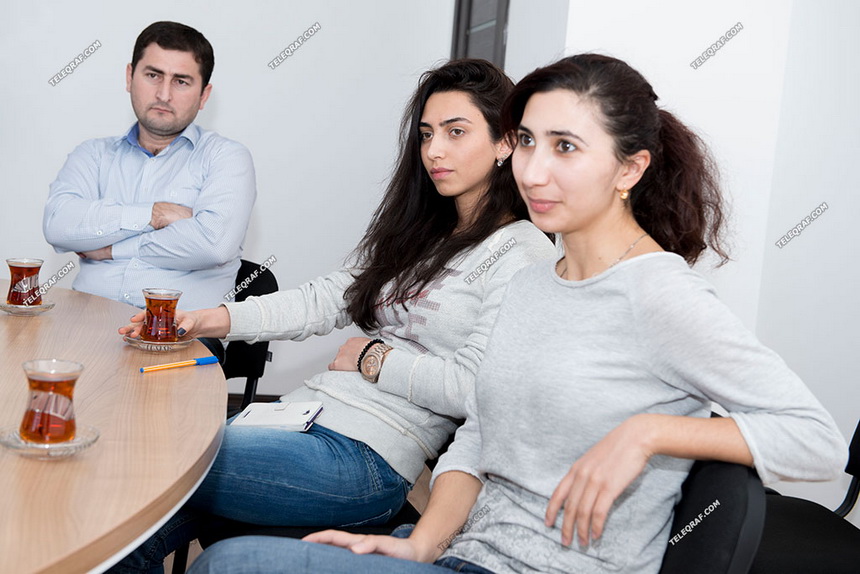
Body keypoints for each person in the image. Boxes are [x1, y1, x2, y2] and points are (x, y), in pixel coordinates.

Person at [184, 54, 849, 574]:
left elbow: (815, 441)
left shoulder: (658, 296)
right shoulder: (538, 282)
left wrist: (646, 433)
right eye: (527, 141)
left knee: (228, 559)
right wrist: (423, 545)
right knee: (226, 553)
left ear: (629, 168)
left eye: (565, 147)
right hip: (463, 551)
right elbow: (479, 433)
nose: (533, 170)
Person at [109, 59, 556, 573]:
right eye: (428, 133)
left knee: (148, 461)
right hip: (305, 421)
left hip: (366, 457)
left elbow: (477, 389)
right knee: (132, 520)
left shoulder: (520, 253)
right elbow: (323, 299)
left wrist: (374, 358)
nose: (434, 150)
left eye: (457, 133)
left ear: (504, 144)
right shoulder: (422, 233)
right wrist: (202, 320)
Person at [43, 21, 256, 330]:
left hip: (178, 335)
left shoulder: (226, 158)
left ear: (204, 95)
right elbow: (58, 226)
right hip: (83, 327)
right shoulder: (91, 155)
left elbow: (214, 245)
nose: (164, 94)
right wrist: (154, 215)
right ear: (130, 77)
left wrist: (113, 248)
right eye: (153, 75)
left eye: (181, 81)